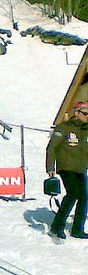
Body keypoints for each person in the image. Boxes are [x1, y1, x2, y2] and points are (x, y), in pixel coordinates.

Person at [46, 101, 88, 239]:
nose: (87, 116)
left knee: (84, 197)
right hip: (66, 167)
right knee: (73, 193)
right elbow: (51, 148)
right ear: (76, 113)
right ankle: (57, 227)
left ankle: (78, 229)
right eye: (85, 113)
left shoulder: (86, 130)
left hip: (80, 168)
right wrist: (50, 167)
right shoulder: (63, 128)